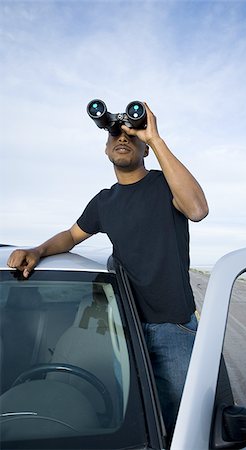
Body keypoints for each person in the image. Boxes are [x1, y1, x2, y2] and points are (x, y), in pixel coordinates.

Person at [7, 102, 208, 439]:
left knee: (183, 424)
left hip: (173, 327)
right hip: (123, 328)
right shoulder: (104, 201)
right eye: (114, 133)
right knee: (142, 421)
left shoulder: (163, 186)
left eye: (130, 135)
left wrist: (155, 137)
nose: (122, 137)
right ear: (105, 149)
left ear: (144, 148)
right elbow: (72, 236)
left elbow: (198, 209)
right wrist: (38, 250)